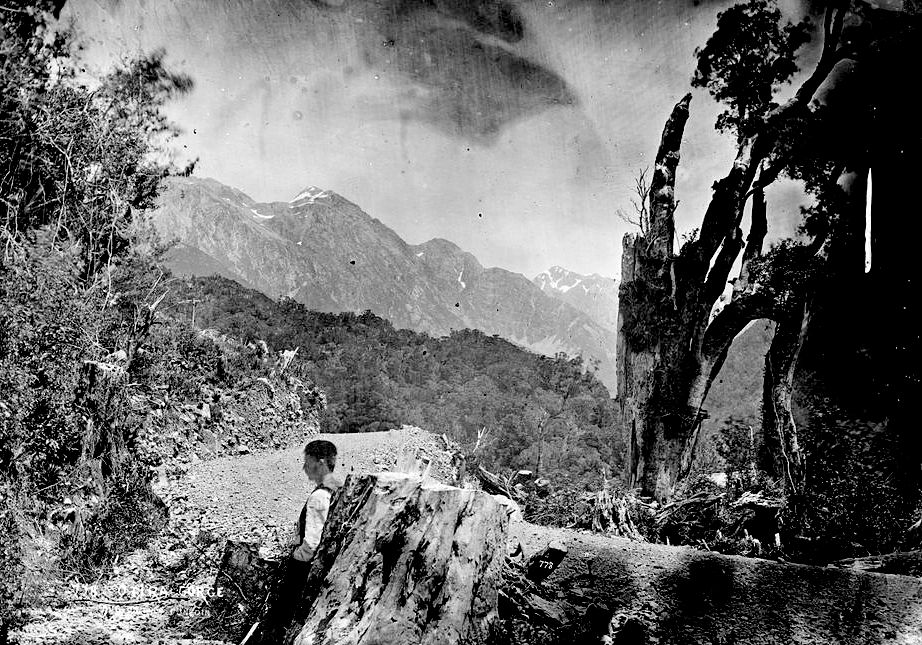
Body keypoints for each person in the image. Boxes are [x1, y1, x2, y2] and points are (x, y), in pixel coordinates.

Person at [292, 439, 341, 562]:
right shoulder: (338, 487)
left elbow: (312, 544)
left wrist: (296, 557)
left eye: (308, 462)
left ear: (320, 463)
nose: (304, 467)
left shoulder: (319, 495)